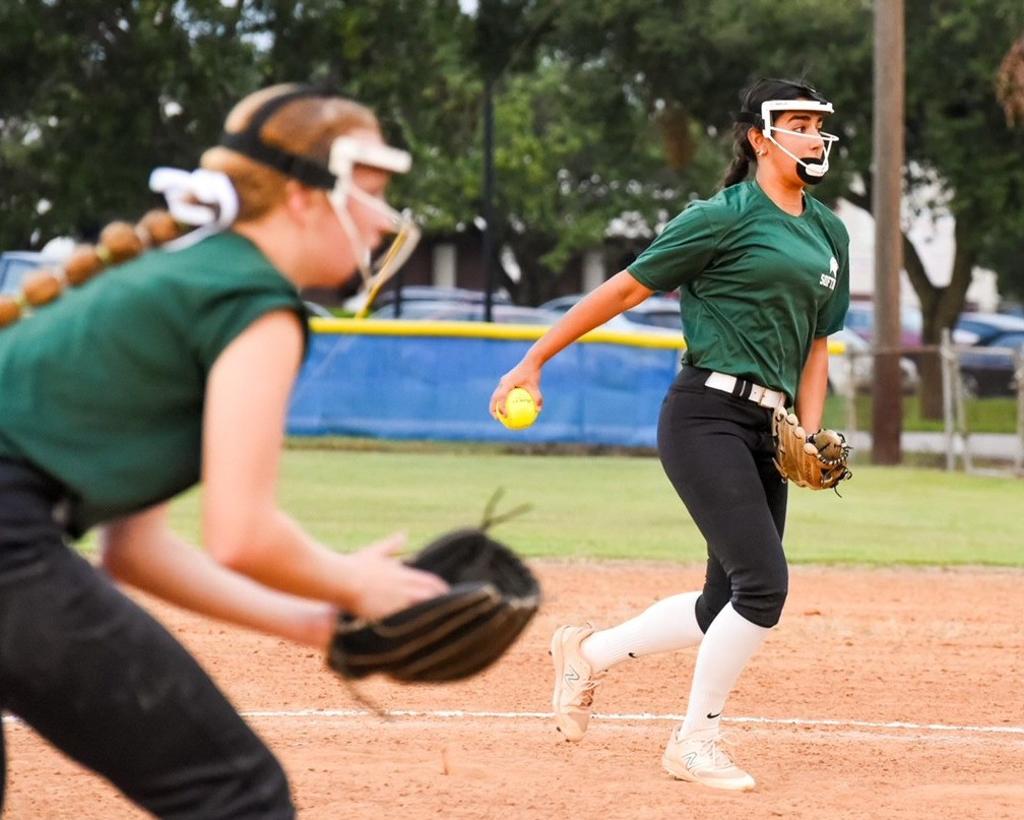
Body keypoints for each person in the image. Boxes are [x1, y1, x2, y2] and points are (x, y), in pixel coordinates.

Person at [0, 84, 449, 818]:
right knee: (237, 794)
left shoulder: (189, 274)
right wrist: (355, 583)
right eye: (370, 195)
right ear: (303, 197)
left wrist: (317, 624)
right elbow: (242, 535)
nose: (384, 221)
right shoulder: (252, 302)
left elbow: (136, 553)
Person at [490, 77, 849, 791]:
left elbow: (817, 345)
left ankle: (587, 655)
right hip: (704, 415)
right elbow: (626, 288)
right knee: (763, 587)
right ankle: (694, 741)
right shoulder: (720, 217)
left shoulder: (828, 231)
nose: (814, 137)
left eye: (818, 125)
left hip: (769, 427)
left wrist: (809, 434)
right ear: (759, 138)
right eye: (798, 124)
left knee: (723, 602)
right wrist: (534, 359)